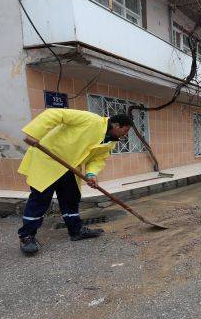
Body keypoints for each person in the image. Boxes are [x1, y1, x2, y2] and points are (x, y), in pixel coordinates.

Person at [17, 108, 132, 255]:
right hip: (48, 161)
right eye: (125, 130)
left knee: (71, 199)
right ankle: (27, 236)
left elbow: (98, 159)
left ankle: (76, 231)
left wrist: (91, 174)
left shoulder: (110, 142)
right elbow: (55, 114)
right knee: (40, 199)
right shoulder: (91, 119)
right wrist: (34, 133)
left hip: (70, 167)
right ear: (116, 125)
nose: (125, 134)